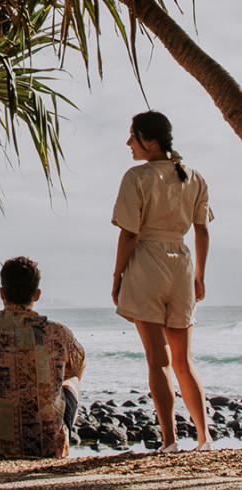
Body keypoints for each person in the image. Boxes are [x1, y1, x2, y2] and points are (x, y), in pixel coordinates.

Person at [111, 111, 213, 453]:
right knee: (184, 360)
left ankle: (169, 441)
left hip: (147, 265)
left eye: (133, 137)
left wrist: (117, 276)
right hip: (181, 265)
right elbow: (201, 229)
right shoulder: (193, 176)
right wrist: (199, 273)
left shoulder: (137, 177)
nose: (128, 143)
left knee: (158, 359)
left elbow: (129, 233)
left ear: (149, 141)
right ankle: (204, 438)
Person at [0, 256, 85, 459]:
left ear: (2, 293)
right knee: (72, 380)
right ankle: (54, 427)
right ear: (37, 295)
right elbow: (78, 365)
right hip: (46, 447)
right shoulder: (57, 332)